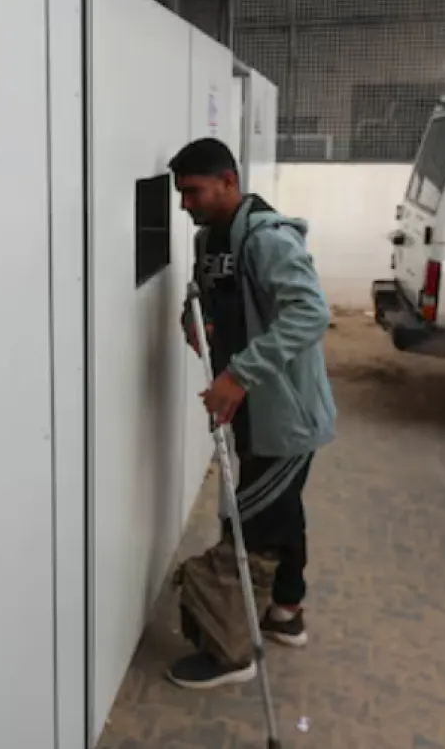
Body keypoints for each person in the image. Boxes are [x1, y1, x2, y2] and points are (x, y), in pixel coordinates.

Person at [166, 136, 337, 690]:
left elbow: (310, 312)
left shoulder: (266, 239)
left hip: (283, 417)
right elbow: (209, 296)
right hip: (251, 414)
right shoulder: (210, 237)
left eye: (193, 191)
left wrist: (238, 374)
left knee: (251, 522)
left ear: (228, 182)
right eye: (180, 194)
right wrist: (197, 323)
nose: (184, 203)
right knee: (279, 511)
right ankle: (287, 613)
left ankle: (230, 652)